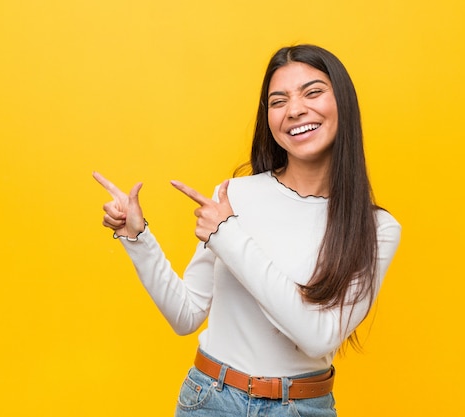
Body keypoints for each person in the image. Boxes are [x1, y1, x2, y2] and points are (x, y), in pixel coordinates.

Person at [93, 44, 401, 417]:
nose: (295, 110)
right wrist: (137, 237)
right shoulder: (235, 194)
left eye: (313, 92)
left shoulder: (376, 229)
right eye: (278, 100)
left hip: (302, 408)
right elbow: (186, 314)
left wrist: (228, 235)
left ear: (344, 103)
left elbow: (316, 336)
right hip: (210, 399)